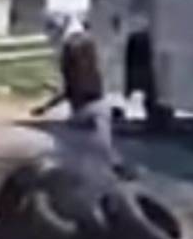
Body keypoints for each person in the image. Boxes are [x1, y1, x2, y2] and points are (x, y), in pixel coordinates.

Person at [31, 12, 130, 177]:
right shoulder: (89, 44)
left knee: (63, 142)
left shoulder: (69, 50)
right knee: (104, 146)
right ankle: (117, 170)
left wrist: (45, 107)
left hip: (83, 110)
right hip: (100, 104)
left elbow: (70, 88)